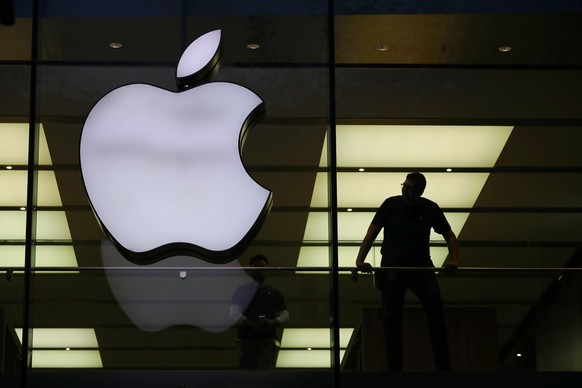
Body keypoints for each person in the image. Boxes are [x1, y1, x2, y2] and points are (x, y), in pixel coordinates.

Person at [355, 172, 459, 371]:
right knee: (391, 320)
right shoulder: (391, 204)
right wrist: (360, 259)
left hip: (421, 267)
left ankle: (443, 368)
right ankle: (395, 371)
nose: (407, 190)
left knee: (436, 314)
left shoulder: (429, 207)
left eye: (411, 188)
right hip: (393, 267)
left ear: (420, 191)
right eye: (405, 186)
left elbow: (450, 237)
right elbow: (371, 233)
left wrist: (455, 260)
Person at [230, 254, 289, 370]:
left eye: (262, 266)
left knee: (262, 375)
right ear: (250, 270)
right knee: (251, 376)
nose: (259, 270)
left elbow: (285, 316)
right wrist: (251, 324)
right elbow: (233, 314)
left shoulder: (274, 293)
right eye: (256, 267)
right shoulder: (242, 291)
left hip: (266, 340)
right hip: (247, 340)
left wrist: (272, 322)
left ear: (267, 269)